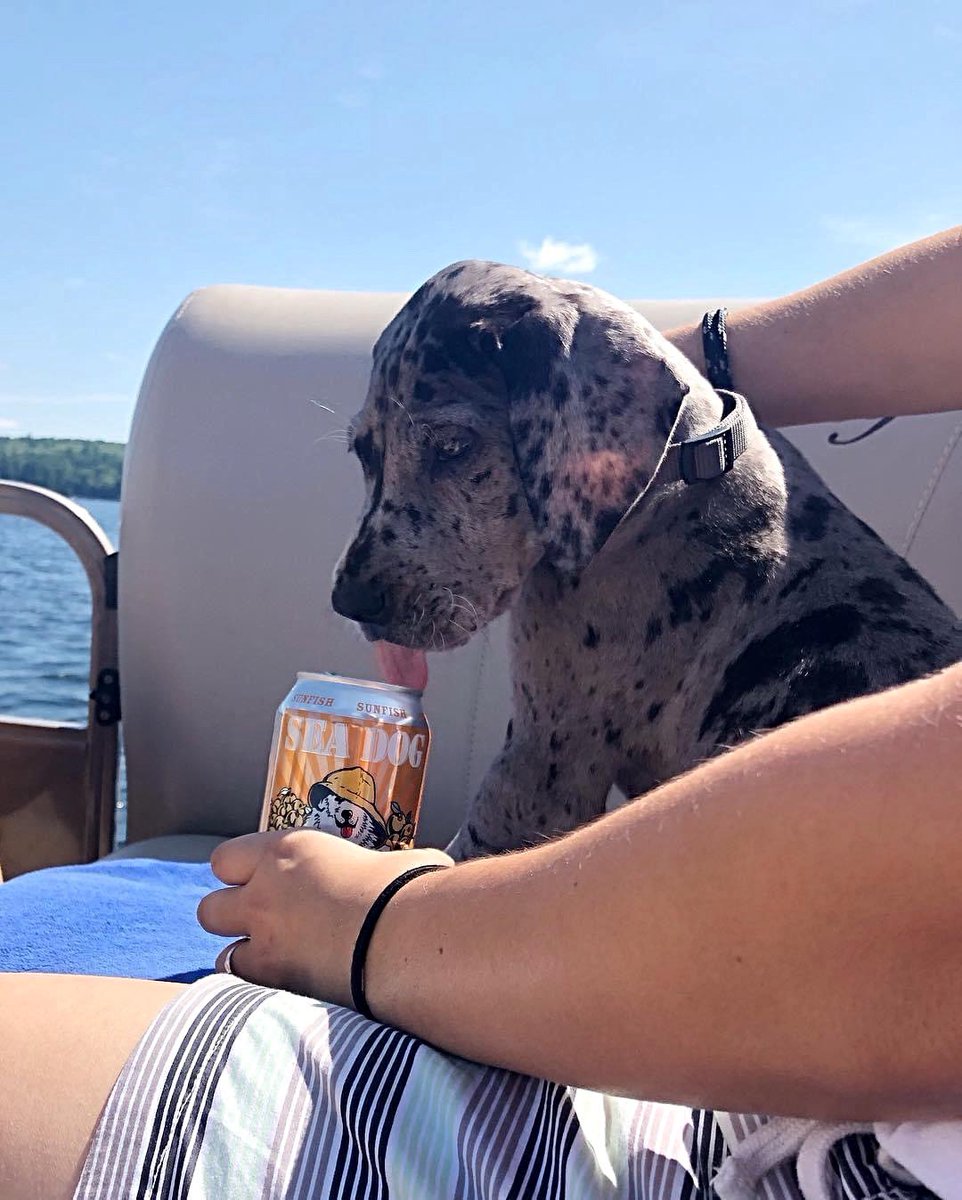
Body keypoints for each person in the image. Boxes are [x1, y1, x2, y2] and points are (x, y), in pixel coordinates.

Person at [2, 227, 960, 1200]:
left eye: (450, 450)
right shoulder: (679, 480)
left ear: (586, 442)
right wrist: (670, 371)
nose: (362, 568)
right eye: (376, 461)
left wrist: (370, 923)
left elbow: (533, 807)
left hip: (797, 1118)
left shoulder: (613, 535)